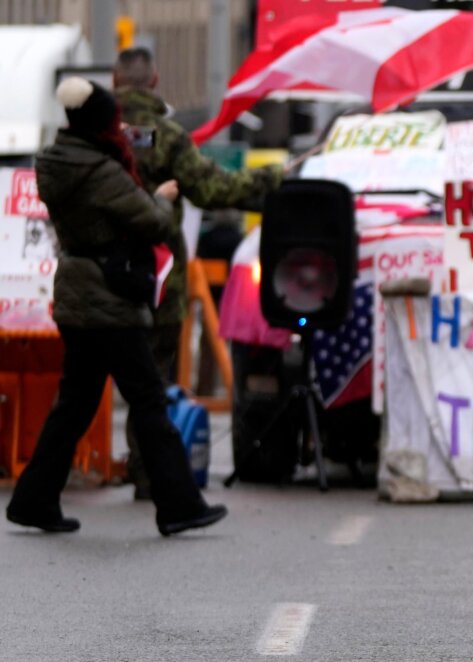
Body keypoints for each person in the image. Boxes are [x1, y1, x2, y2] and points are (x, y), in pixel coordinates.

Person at [6, 79, 227, 536]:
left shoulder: (54, 162)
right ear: (99, 125)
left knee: (75, 404)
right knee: (148, 398)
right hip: (110, 300)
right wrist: (163, 201)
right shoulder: (102, 172)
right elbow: (150, 224)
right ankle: (179, 505)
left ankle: (34, 499)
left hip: (76, 294)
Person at [113, 46, 282, 497]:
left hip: (99, 271)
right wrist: (272, 181)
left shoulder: (95, 133)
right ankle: (149, 473)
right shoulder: (167, 137)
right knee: (155, 378)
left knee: (85, 382)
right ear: (155, 81)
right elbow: (211, 188)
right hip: (157, 275)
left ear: (114, 81)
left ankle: (48, 478)